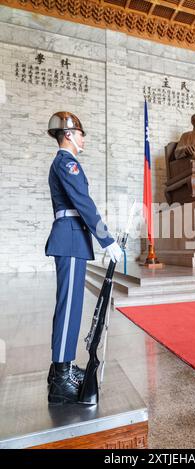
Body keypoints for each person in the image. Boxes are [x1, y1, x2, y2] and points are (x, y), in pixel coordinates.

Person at [45, 111, 122, 404]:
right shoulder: (67, 163)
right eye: (80, 133)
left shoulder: (67, 163)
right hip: (70, 237)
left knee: (71, 307)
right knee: (69, 309)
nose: (83, 138)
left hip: (73, 238)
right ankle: (61, 380)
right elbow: (83, 204)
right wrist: (107, 239)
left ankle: (60, 369)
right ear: (68, 135)